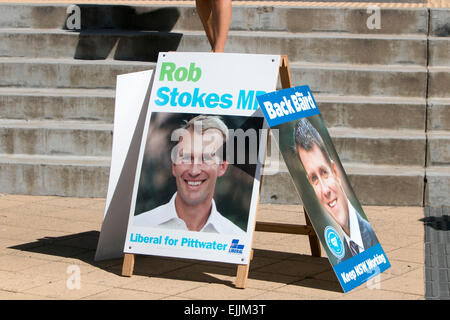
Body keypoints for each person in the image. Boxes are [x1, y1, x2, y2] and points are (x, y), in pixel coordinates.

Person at [134, 115, 245, 235]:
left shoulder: (235, 238)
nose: (194, 171)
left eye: (206, 158)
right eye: (186, 157)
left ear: (222, 167)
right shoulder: (139, 227)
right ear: (174, 165)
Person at [294, 118, 378, 262]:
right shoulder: (343, 260)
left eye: (324, 173)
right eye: (314, 179)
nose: (325, 190)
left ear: (335, 172)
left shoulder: (371, 241)